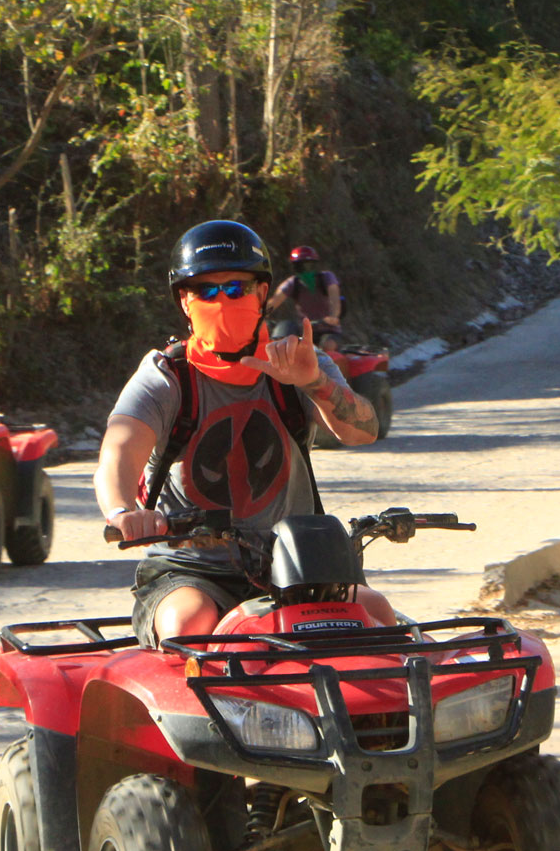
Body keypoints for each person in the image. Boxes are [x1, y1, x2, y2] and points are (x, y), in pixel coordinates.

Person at [97, 220, 387, 646]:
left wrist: (316, 383)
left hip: (296, 560)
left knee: (376, 614)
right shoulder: (167, 376)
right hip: (190, 569)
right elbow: (118, 450)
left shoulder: (298, 364)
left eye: (236, 288)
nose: (222, 301)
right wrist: (123, 511)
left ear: (262, 293)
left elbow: (363, 432)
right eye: (206, 291)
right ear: (184, 301)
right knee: (188, 626)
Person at [267, 245, 344, 355]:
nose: (306, 269)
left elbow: (334, 298)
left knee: (328, 345)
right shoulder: (293, 283)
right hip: (304, 333)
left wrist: (333, 316)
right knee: (282, 344)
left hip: (328, 331)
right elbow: (274, 301)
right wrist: (260, 316)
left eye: (309, 265)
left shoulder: (327, 277)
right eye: (301, 266)